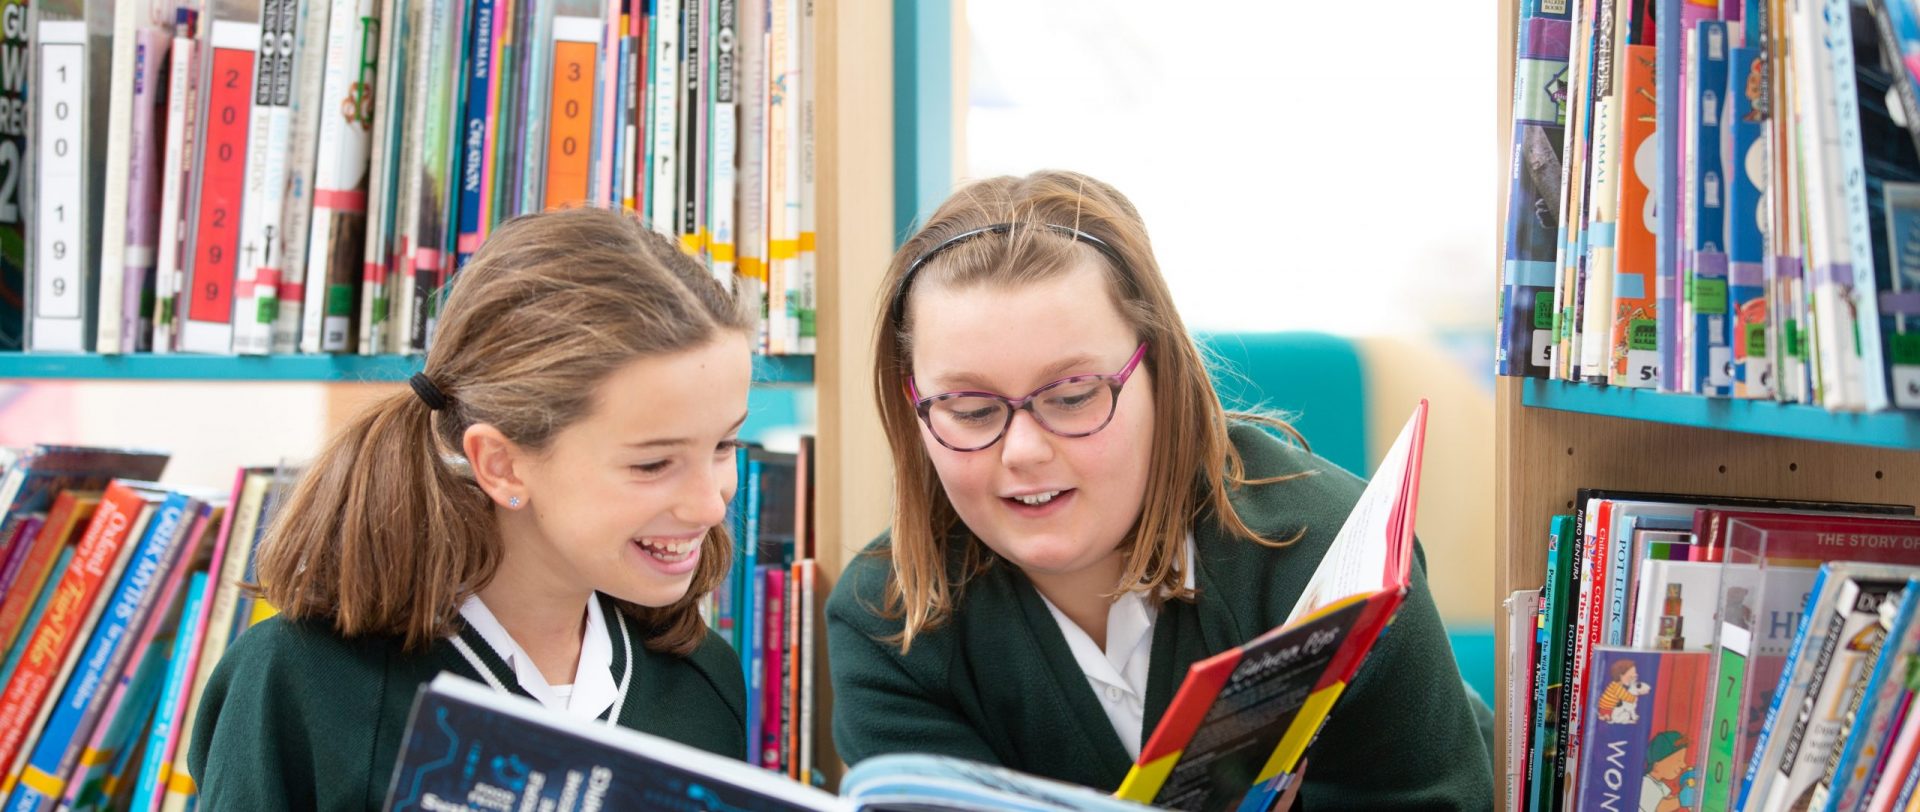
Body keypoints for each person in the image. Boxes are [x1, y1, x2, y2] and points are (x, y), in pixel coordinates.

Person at [826, 170, 1494, 808]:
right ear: (913, 407)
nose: (1024, 451)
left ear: (1161, 376)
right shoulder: (883, 620)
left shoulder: (1330, 548)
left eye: (1073, 396)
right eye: (970, 410)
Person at [189, 207, 753, 809]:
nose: (708, 506)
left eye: (724, 446)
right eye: (652, 464)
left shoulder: (702, 682)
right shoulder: (299, 682)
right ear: (502, 463)